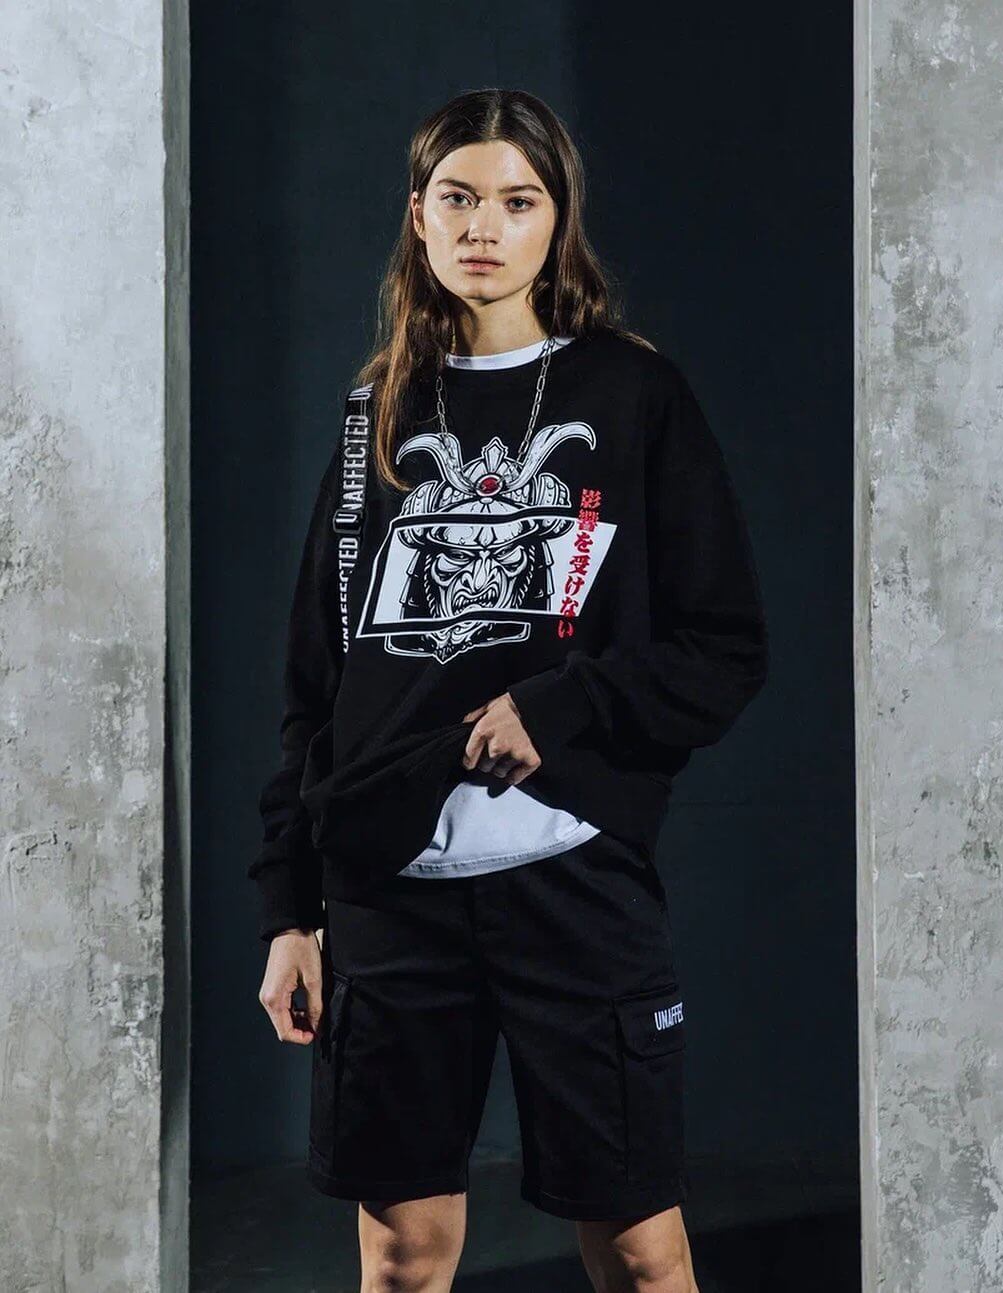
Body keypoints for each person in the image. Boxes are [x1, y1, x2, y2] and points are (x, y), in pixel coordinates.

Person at [251, 87, 768, 1293]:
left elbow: (722, 646)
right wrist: (290, 910)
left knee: (642, 1252)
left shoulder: (632, 395)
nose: (483, 226)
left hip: (570, 884)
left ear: (556, 220)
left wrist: (560, 707)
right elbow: (315, 688)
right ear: (418, 218)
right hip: (388, 893)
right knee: (401, 1258)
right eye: (457, 198)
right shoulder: (373, 414)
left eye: (516, 201)